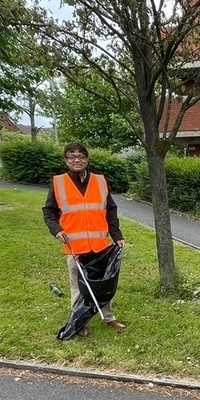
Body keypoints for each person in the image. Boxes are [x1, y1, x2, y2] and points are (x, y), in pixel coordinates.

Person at [43, 142, 127, 337]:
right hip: (75, 246)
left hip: (99, 245)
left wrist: (117, 235)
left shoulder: (100, 181)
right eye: (71, 157)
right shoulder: (58, 182)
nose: (76, 160)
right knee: (78, 286)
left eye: (80, 156)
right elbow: (49, 211)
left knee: (104, 283)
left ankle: (109, 318)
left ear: (87, 159)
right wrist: (56, 230)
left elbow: (111, 210)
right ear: (66, 161)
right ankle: (79, 323)